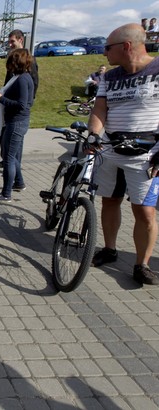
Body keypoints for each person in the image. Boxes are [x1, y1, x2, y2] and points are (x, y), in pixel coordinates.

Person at [87, 23, 159, 285]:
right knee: (110, 200)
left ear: (126, 46)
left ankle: (142, 264)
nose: (104, 52)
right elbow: (100, 109)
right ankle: (110, 248)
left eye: (108, 48)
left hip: (147, 154)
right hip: (111, 149)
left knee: (145, 211)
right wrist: (94, 134)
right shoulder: (110, 77)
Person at [0, 48, 34, 202]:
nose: (9, 66)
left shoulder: (22, 80)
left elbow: (22, 105)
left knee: (8, 158)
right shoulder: (23, 77)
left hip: (16, 123)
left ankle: (6, 194)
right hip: (17, 122)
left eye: (10, 62)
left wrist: (1, 98)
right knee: (12, 157)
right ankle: (19, 183)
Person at [0, 29, 40, 169]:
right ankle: (7, 160)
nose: (10, 44)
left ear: (21, 40)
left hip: (18, 107)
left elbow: (34, 81)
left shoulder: (28, 59)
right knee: (4, 134)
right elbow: (10, 80)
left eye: (12, 41)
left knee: (15, 138)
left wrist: (27, 102)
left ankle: (13, 166)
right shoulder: (13, 56)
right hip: (7, 102)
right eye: (9, 42)